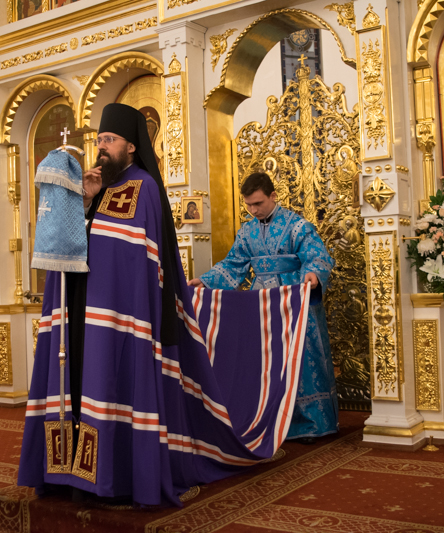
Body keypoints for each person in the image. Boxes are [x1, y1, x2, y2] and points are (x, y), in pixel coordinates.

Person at [19, 104, 313, 508]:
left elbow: (134, 258)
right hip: (82, 312)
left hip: (123, 319)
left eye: (110, 140)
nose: (102, 147)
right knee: (77, 386)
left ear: (131, 147)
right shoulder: (96, 186)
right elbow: (74, 248)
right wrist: (83, 202)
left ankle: (112, 479)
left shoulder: (143, 188)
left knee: (110, 388)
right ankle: (67, 472)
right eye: (100, 140)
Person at [188, 172, 339, 444]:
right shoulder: (247, 232)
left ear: (273, 196)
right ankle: (272, 420)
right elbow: (233, 263)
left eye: (258, 203)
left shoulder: (297, 226)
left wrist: (313, 273)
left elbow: (317, 255)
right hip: (263, 306)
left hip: (294, 300)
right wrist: (206, 280)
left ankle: (313, 423)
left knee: (301, 358)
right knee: (268, 360)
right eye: (248, 205)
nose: (253, 210)